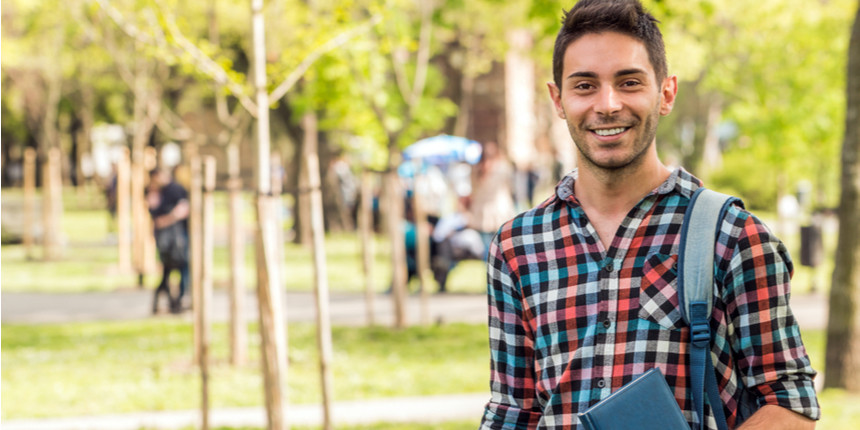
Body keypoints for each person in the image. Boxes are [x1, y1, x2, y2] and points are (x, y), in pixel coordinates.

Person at [480, 1, 820, 429]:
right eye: (585, 85)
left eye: (629, 82)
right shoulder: (517, 245)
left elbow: (789, 402)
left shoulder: (733, 235)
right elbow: (514, 409)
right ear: (558, 99)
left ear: (666, 93)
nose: (607, 104)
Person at [147, 168, 190, 314]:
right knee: (168, 269)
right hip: (165, 239)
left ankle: (179, 299)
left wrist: (166, 220)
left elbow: (183, 209)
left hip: (176, 237)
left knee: (181, 267)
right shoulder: (156, 192)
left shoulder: (175, 189)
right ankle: (174, 301)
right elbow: (152, 211)